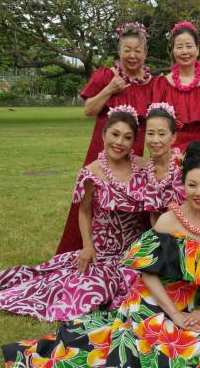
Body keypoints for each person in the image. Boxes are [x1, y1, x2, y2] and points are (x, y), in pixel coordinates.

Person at [1, 141, 200, 368]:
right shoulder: (168, 221)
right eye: (192, 185)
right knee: (178, 350)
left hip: (189, 305)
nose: (199, 192)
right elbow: (147, 274)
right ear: (183, 185)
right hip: (151, 301)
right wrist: (175, 315)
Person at [0, 106, 147, 322]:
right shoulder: (91, 172)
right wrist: (87, 247)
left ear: (133, 142)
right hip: (102, 253)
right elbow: (84, 211)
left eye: (127, 137)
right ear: (103, 135)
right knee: (92, 290)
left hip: (135, 251)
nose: (119, 142)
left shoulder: (142, 167)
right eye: (115, 134)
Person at [56, 22, 154, 254]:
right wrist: (110, 88)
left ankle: (128, 250)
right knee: (91, 200)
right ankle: (84, 247)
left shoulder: (153, 84)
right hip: (102, 149)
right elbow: (89, 110)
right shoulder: (105, 75)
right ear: (119, 51)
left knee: (132, 204)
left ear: (145, 53)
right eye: (127, 50)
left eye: (137, 50)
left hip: (134, 153)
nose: (132, 55)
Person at [152, 21, 200, 154]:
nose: (184, 51)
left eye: (189, 46)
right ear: (173, 50)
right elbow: (157, 126)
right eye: (179, 47)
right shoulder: (162, 84)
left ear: (197, 48)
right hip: (171, 155)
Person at [130, 102, 185, 226]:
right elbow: (153, 215)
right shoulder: (144, 171)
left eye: (161, 134)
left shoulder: (183, 167)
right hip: (156, 233)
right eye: (150, 133)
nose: (155, 140)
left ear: (173, 137)